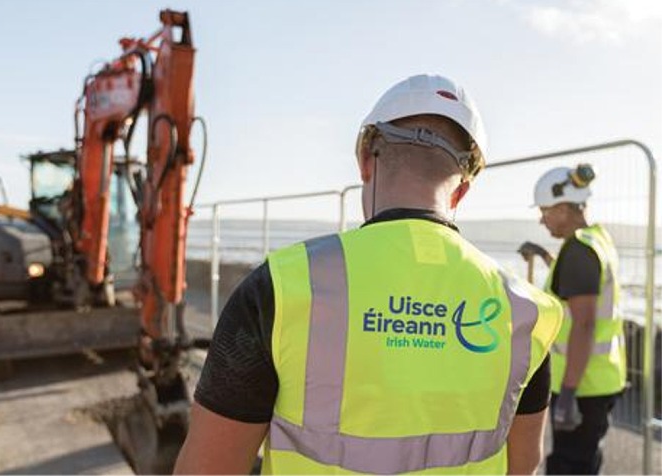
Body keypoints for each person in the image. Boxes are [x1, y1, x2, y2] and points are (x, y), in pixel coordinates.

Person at [174, 74, 563, 475]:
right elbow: (523, 465)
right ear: (462, 190)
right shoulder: (526, 311)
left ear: (364, 159)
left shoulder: (282, 287)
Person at [518, 165, 626, 475]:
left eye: (545, 211)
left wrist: (567, 393)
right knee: (585, 462)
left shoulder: (579, 250)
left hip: (580, 386)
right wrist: (543, 255)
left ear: (564, 208)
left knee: (570, 466)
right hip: (599, 380)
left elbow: (584, 324)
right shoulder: (596, 240)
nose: (542, 219)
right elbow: (574, 285)